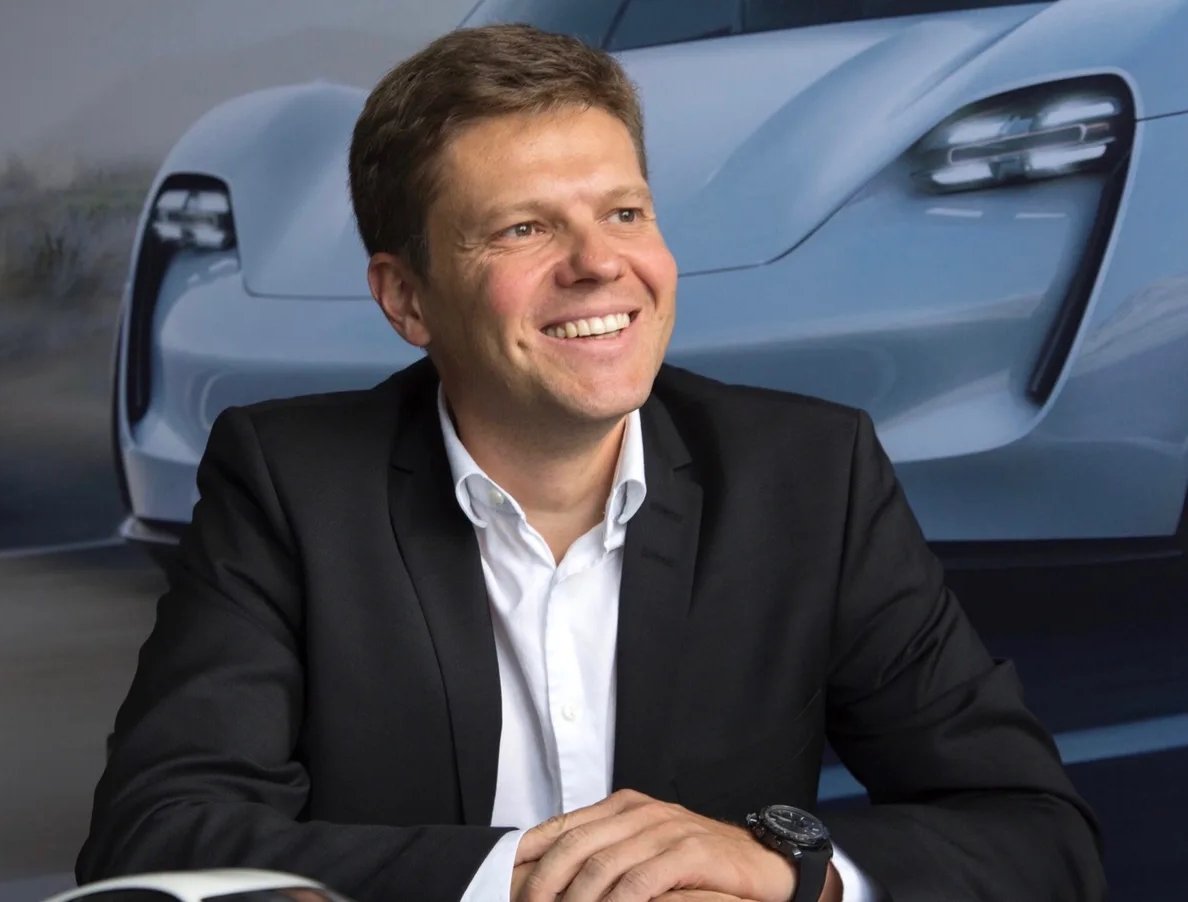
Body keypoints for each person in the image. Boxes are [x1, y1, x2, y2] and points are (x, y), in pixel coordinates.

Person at [77, 22, 1106, 902]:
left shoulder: (810, 475)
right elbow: (156, 835)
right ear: (407, 299)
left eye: (624, 212)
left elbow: (1037, 835)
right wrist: (531, 878)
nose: (601, 263)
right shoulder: (289, 483)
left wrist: (787, 871)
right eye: (524, 228)